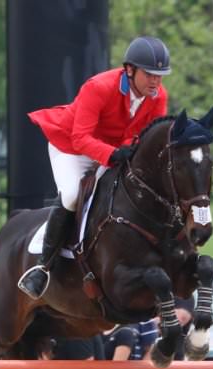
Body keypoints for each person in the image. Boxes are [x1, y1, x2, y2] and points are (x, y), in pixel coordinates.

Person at [17, 36, 172, 300]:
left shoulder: (157, 97)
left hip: (111, 150)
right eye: (150, 74)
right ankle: (43, 265)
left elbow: (149, 135)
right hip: (71, 147)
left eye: (160, 75)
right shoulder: (99, 87)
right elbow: (80, 137)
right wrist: (114, 153)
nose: (155, 81)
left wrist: (126, 150)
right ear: (130, 70)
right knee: (72, 196)